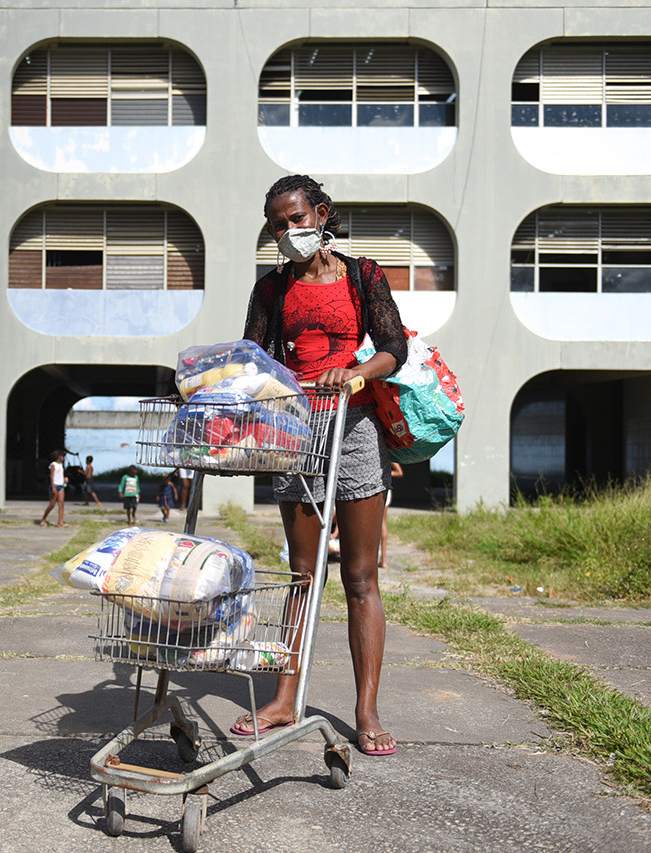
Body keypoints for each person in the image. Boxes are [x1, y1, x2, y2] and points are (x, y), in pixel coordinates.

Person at [236, 174, 408, 758]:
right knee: (304, 575)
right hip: (297, 429)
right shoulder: (271, 288)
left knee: (360, 577)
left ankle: (366, 710)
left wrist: (355, 373)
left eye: (296, 219)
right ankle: (286, 698)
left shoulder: (364, 274)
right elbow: (253, 358)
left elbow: (393, 346)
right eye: (277, 225)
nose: (288, 232)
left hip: (356, 427)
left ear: (322, 213)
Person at [380, 461, 404, 569]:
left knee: (382, 523)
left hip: (383, 488)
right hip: (382, 488)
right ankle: (382, 560)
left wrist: (383, 472)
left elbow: (399, 472)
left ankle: (383, 560)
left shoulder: (388, 453)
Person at [39, 450, 68, 528]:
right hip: (55, 485)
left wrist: (64, 479)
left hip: (61, 485)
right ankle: (43, 519)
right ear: (58, 457)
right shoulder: (53, 465)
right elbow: (51, 477)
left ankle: (60, 522)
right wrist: (53, 487)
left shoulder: (61, 464)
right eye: (61, 456)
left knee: (61, 504)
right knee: (52, 504)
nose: (63, 457)